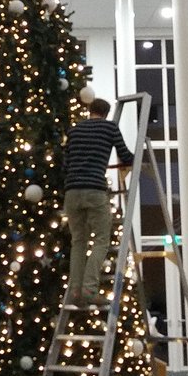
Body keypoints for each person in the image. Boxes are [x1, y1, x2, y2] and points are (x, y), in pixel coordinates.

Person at [64, 97, 134, 307]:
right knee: (102, 239)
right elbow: (125, 155)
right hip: (95, 189)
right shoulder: (110, 128)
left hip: (72, 192)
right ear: (105, 113)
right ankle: (89, 289)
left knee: (78, 241)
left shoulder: (74, 131)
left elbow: (65, 163)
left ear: (89, 110)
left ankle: (75, 290)